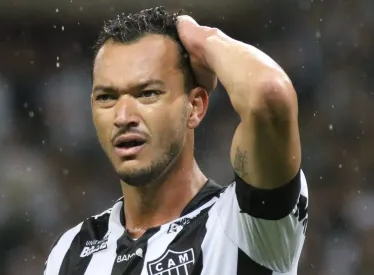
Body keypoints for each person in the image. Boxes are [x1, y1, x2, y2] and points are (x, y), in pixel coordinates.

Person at [44, 6, 308, 275]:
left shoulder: (246, 225)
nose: (123, 117)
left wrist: (201, 39)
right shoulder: (70, 251)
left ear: (195, 107)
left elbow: (268, 95)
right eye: (107, 97)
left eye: (147, 93)